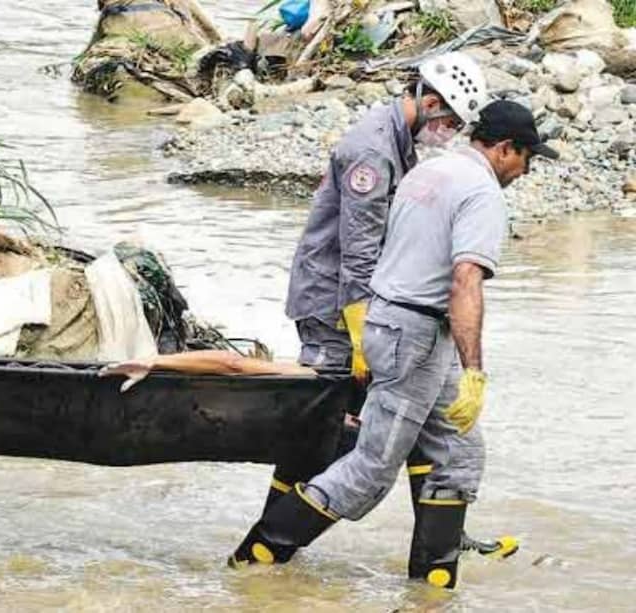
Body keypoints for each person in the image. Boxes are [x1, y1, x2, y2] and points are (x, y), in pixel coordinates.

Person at [227, 100, 558, 588]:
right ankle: (259, 554)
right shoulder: (483, 193)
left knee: (460, 454)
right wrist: (475, 370)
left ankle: (432, 583)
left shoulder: (431, 172)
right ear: (506, 149)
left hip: (397, 325)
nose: (526, 171)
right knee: (371, 469)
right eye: (527, 158)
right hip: (416, 337)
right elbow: (465, 281)